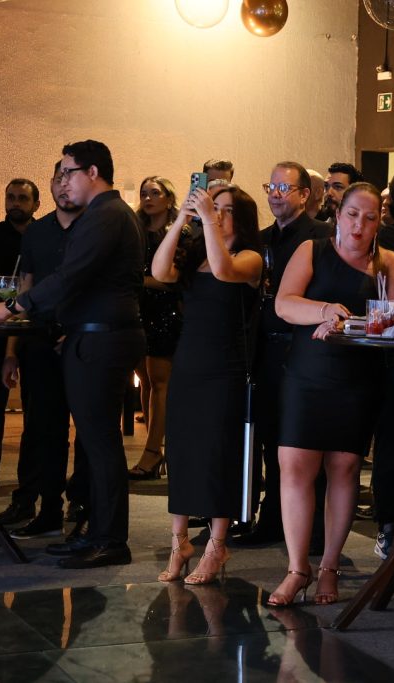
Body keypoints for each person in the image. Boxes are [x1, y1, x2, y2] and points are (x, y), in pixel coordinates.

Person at [0, 139, 145, 569]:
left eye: (68, 172)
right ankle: (96, 532)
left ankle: (110, 539)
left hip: (102, 339)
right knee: (95, 440)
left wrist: (13, 306)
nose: (62, 181)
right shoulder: (103, 214)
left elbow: (70, 276)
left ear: (92, 173)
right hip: (92, 336)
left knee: (101, 444)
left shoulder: (107, 214)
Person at [269, 182, 394, 605]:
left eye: (370, 217)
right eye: (352, 214)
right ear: (338, 214)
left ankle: (329, 566)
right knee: (294, 466)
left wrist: (354, 325)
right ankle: (297, 569)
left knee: (344, 469)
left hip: (358, 378)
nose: (359, 225)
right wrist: (325, 310)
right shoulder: (312, 250)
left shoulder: (388, 263)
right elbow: (284, 304)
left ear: (379, 222)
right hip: (307, 375)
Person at [150, 182, 263, 584]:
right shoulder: (198, 252)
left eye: (227, 209)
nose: (217, 213)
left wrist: (209, 222)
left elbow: (223, 270)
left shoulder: (250, 257)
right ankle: (179, 541)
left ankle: (217, 545)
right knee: (181, 451)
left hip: (225, 368)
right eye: (215, 206)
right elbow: (159, 271)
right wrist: (181, 218)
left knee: (217, 455)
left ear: (242, 218)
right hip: (189, 363)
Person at [234, 162, 331, 547]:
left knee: (306, 441)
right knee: (269, 437)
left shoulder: (323, 237)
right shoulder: (260, 240)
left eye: (283, 188)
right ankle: (272, 520)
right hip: (266, 349)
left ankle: (315, 528)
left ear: (304, 194)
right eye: (270, 187)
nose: (274, 195)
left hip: (305, 348)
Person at [0, 161, 89, 540]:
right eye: (58, 179)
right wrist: (11, 350)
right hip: (38, 340)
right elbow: (25, 291)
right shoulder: (37, 232)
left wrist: (80, 330)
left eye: (71, 178)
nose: (64, 185)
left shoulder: (95, 227)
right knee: (42, 430)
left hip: (83, 340)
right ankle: (45, 507)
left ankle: (82, 505)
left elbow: (100, 286)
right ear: (51, 185)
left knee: (87, 431)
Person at [0, 178, 41, 491]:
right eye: (11, 197)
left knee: (36, 403)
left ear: (36, 204)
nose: (15, 203)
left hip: (34, 329)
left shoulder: (44, 235)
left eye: (22, 198)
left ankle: (32, 474)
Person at [128, 176, 182, 480]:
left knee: (161, 382)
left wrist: (139, 280)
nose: (148, 198)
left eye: (155, 193)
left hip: (166, 311)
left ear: (169, 198)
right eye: (144, 193)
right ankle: (155, 449)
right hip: (136, 310)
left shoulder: (178, 232)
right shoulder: (135, 229)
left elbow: (173, 279)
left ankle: (153, 452)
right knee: (146, 382)